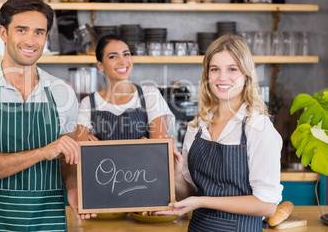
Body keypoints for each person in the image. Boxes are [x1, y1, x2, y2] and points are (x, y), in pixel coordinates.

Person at [0, 0, 94, 232]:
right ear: (4, 33)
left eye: (39, 32)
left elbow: (67, 159)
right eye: (22, 30)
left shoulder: (62, 92)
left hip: (46, 220)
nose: (31, 40)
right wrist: (43, 152)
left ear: (46, 37)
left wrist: (72, 187)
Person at [157, 35, 283, 231]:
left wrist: (202, 202)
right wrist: (176, 175)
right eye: (215, 69)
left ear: (247, 74)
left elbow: (267, 206)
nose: (222, 77)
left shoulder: (258, 127)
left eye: (232, 69)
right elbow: (190, 194)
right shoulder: (197, 126)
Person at [76, 34, 175, 141]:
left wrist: (99, 149)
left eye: (126, 54)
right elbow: (81, 153)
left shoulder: (150, 94)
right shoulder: (88, 104)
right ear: (100, 65)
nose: (122, 61)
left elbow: (160, 149)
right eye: (113, 56)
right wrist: (141, 147)